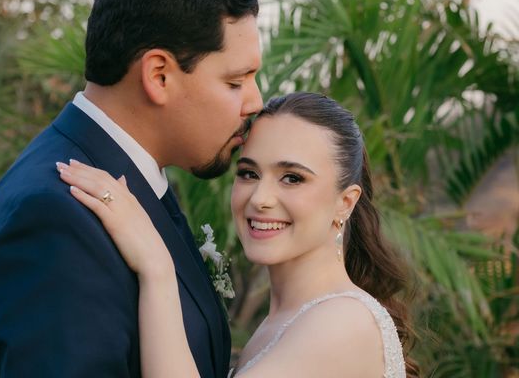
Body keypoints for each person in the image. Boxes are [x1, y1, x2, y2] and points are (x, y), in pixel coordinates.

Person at [0, 0, 263, 377]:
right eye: (235, 81)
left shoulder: (123, 182)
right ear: (159, 75)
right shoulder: (56, 220)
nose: (255, 101)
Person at [56, 92, 418, 377]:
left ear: (345, 203)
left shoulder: (343, 322)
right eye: (248, 173)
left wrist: (156, 266)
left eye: (292, 178)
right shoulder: (281, 322)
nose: (260, 199)